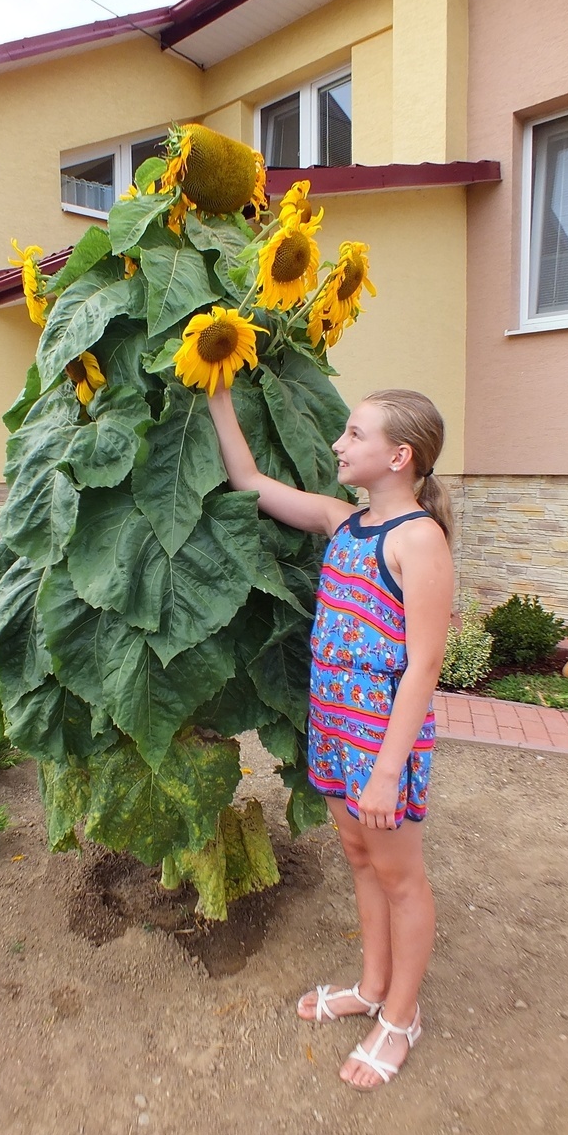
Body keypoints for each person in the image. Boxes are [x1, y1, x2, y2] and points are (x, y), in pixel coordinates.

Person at [207, 384, 455, 1091]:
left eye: (353, 435)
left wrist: (387, 769)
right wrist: (221, 396)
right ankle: (374, 987)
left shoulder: (418, 540)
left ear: (398, 455)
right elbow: (250, 482)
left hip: (382, 740)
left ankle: (402, 1017)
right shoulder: (343, 523)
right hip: (335, 727)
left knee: (401, 877)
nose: (339, 446)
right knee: (358, 856)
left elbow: (426, 665)